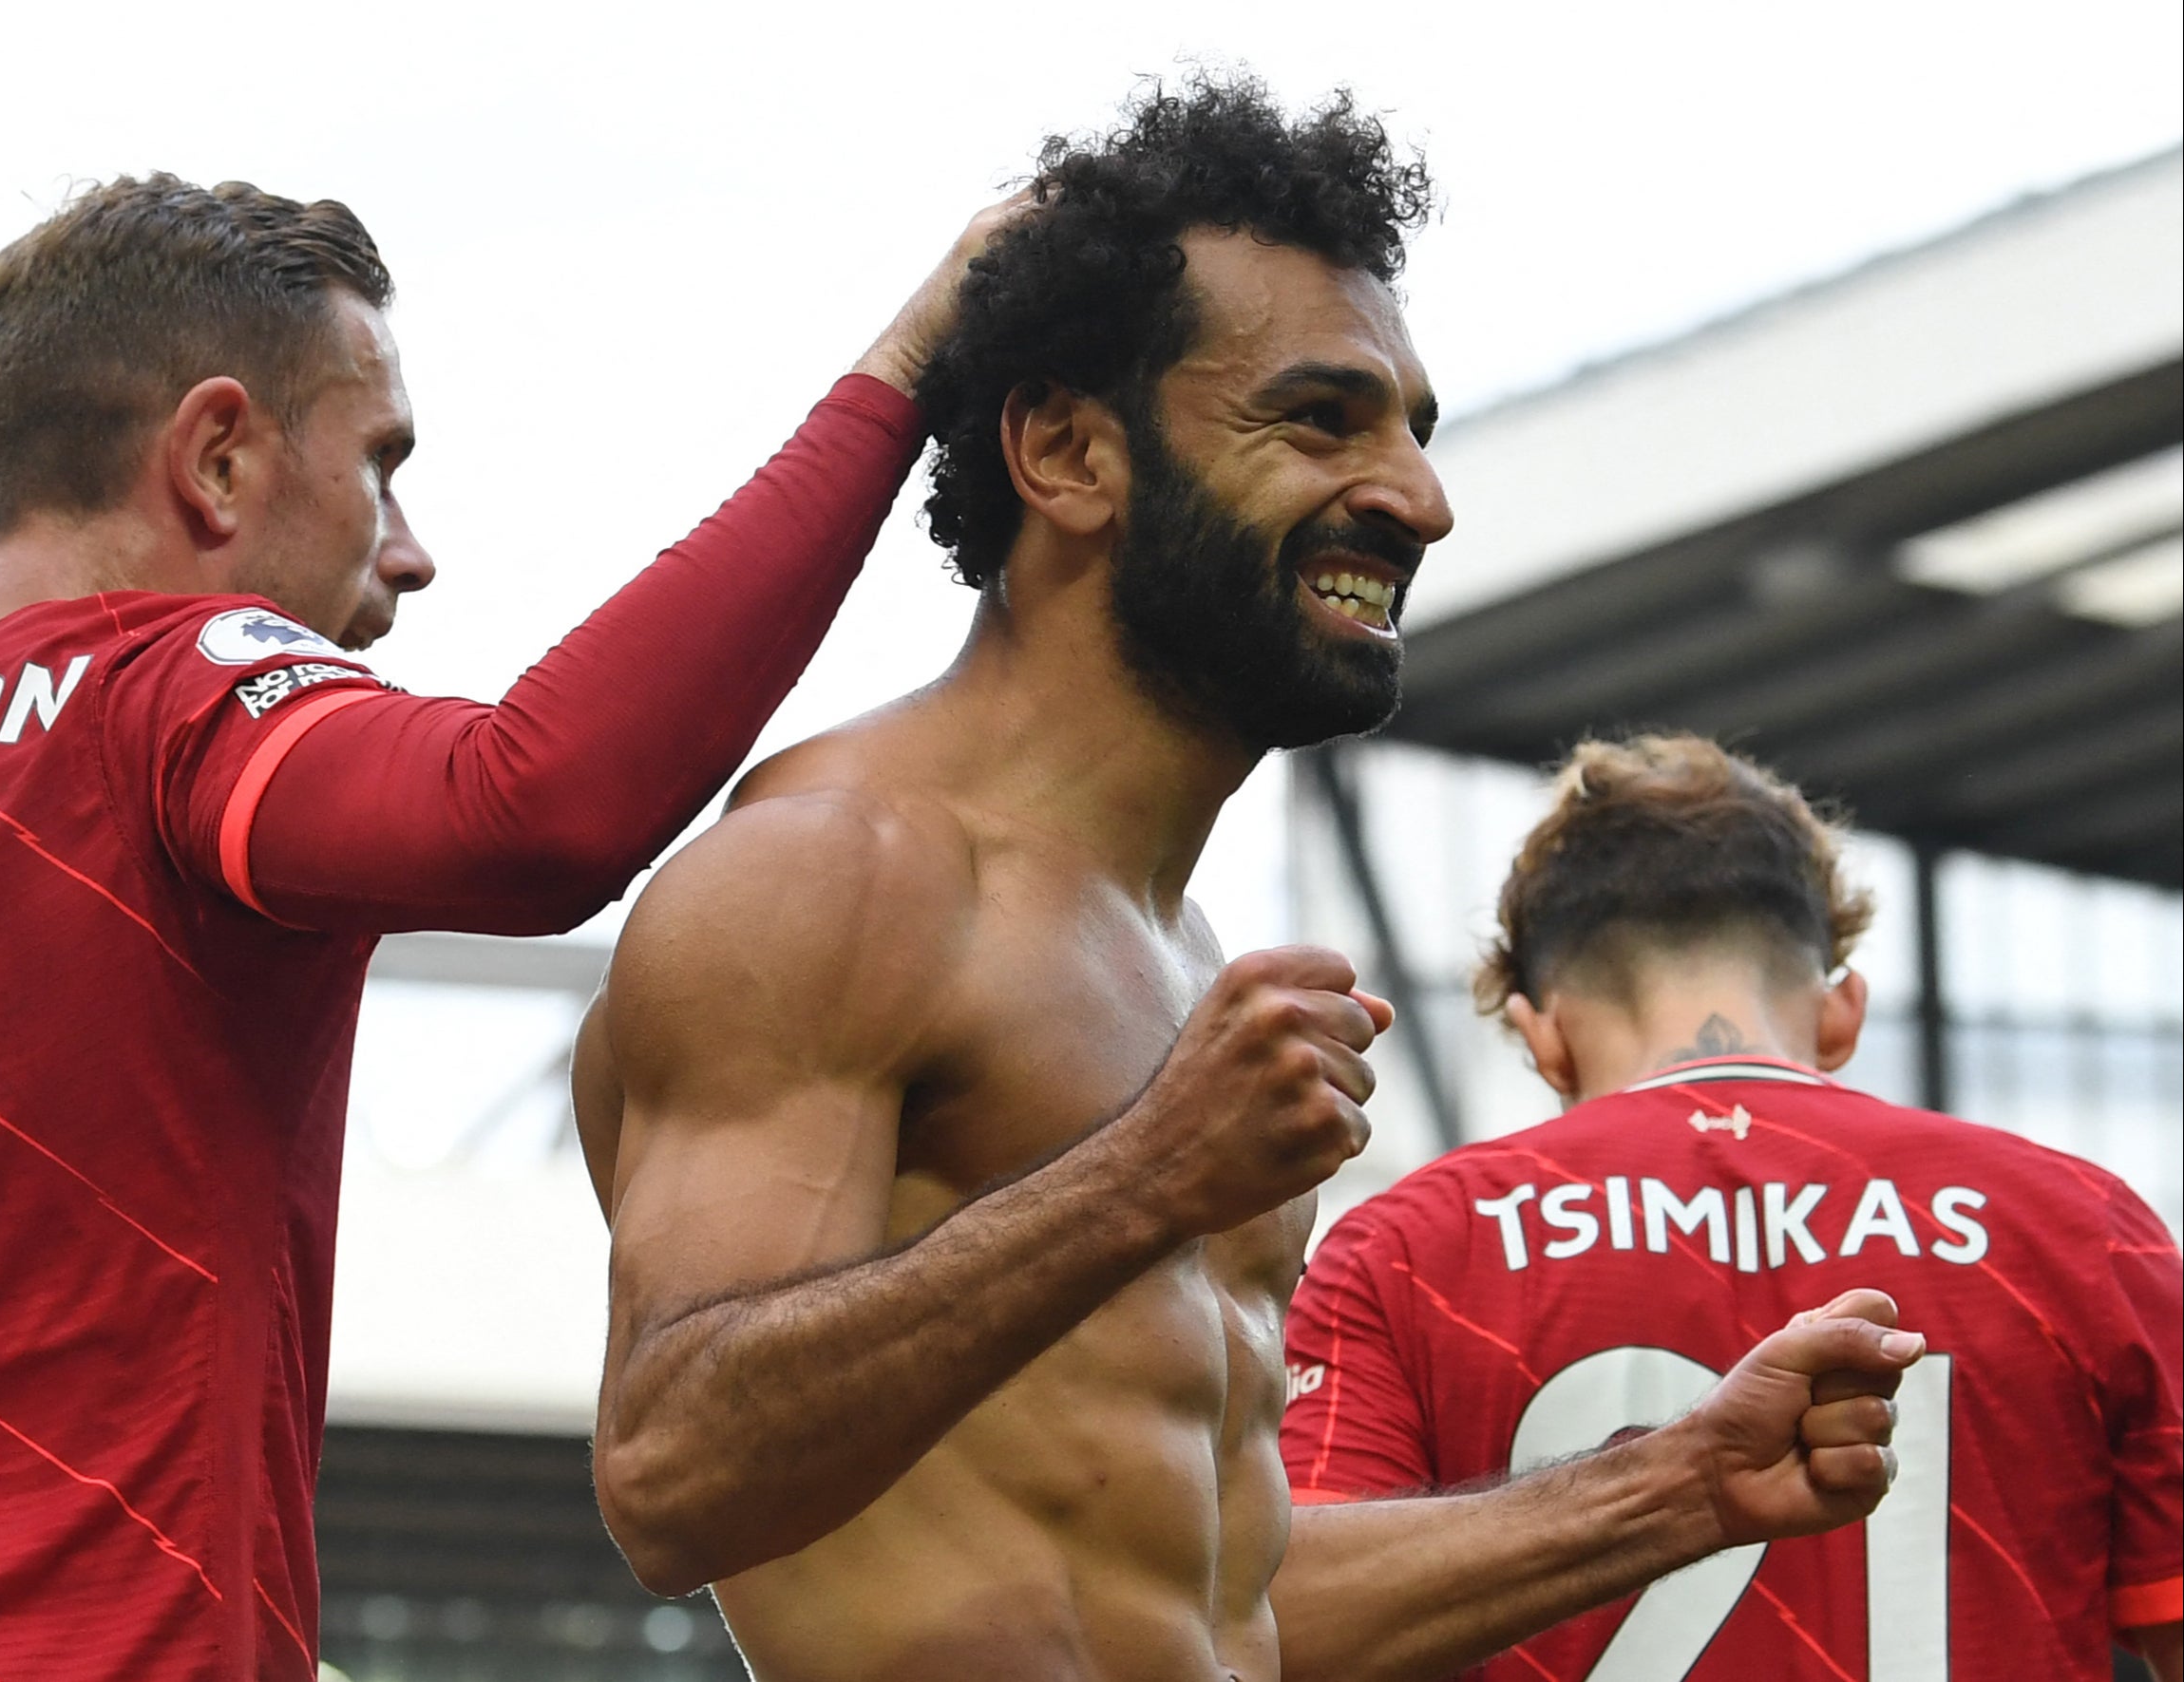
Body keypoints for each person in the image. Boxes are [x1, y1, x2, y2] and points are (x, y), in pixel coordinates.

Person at [575, 81, 1925, 1682]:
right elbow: (671, 1475)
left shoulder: (1172, 958)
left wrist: (1679, 1483)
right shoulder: (831, 874)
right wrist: (1147, 1171)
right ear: (1069, 450)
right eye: (1319, 418)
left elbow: (1214, 1609)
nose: (1417, 498)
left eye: (1414, 427)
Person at [0, 173, 1004, 1680]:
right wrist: (898, 380)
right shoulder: (161, 691)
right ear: (218, 456)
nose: (411, 548)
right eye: (381, 462)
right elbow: (533, 809)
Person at [1281, 732, 2184, 1682]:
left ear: (1541, 1037)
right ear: (1843, 1012)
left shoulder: (1411, 1248)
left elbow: (1288, 1626)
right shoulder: (2085, 1229)